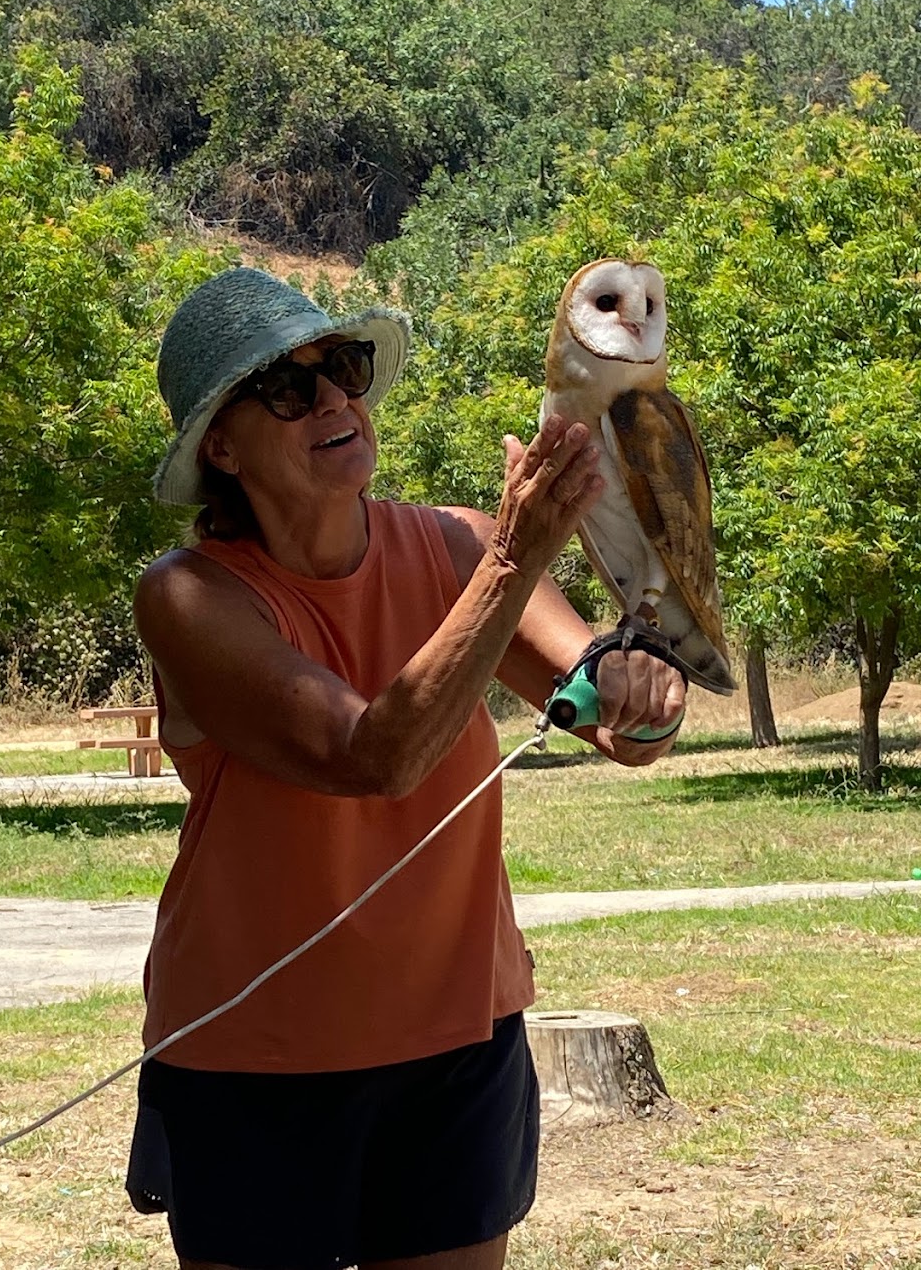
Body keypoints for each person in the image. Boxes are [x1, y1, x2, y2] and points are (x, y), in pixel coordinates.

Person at [126, 267, 686, 1270]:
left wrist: (644, 682)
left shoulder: (460, 544)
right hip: (255, 1057)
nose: (335, 399)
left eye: (340, 368)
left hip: (457, 1040)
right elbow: (368, 754)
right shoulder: (189, 598)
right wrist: (514, 564)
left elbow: (621, 728)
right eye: (287, 388)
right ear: (219, 444)